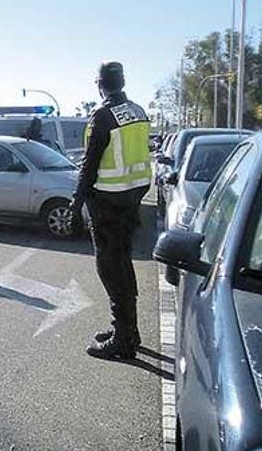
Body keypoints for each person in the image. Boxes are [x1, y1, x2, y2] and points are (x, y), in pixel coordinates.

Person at [69, 62, 152, 360]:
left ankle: (123, 340)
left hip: (107, 203)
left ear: (100, 85)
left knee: (110, 268)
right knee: (123, 264)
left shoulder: (103, 116)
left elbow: (89, 165)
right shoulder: (139, 112)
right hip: (131, 199)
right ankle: (130, 331)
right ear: (123, 82)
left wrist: (76, 203)